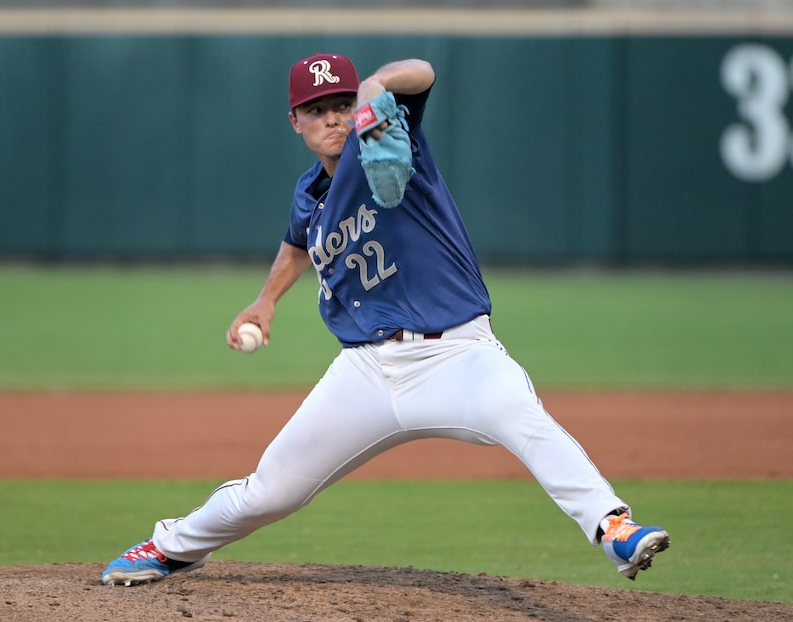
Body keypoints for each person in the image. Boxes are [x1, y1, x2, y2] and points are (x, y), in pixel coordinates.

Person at [101, 53, 670, 587]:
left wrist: (375, 88)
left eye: (341, 104)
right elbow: (298, 243)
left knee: (520, 415)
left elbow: (421, 71)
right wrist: (266, 299)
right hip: (366, 372)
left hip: (457, 356)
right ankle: (170, 547)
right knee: (272, 490)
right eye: (317, 110)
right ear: (295, 121)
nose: (333, 118)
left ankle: (613, 527)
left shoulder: (390, 136)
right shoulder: (308, 192)